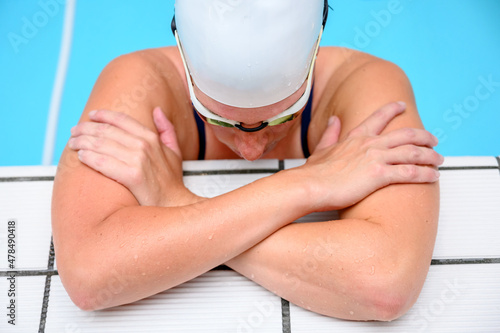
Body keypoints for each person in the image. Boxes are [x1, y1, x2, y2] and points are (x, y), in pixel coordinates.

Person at [52, 0, 443, 321]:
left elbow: (384, 284)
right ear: (186, 66)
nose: (251, 149)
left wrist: (176, 201)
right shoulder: (138, 80)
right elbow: (90, 276)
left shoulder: (365, 82)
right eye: (220, 119)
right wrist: (308, 185)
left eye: (282, 118)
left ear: (315, 53)